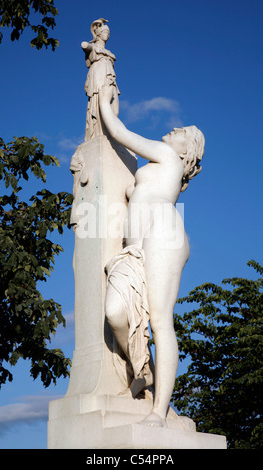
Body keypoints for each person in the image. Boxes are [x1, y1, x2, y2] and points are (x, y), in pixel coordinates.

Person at [99, 85, 205, 427]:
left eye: (182, 132)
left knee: (159, 321)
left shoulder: (167, 156)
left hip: (163, 232)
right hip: (134, 248)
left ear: (186, 151)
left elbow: (118, 131)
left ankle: (159, 413)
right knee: (116, 312)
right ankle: (144, 371)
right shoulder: (157, 168)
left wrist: (100, 93)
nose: (175, 129)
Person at [81, 19, 120, 140]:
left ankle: (113, 134)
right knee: (99, 104)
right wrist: (87, 45)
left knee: (115, 109)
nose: (107, 34)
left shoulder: (109, 52)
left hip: (110, 78)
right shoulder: (94, 47)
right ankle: (100, 133)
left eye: (108, 32)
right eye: (104, 32)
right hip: (98, 77)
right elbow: (85, 45)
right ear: (98, 34)